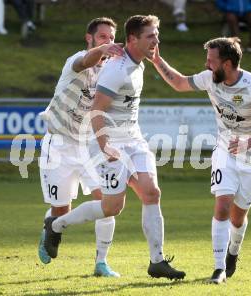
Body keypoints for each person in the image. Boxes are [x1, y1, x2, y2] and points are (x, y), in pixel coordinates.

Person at [42, 15, 186, 280]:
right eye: (151, 36)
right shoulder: (107, 66)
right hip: (73, 141)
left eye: (111, 37)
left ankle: (153, 261)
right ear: (91, 39)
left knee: (151, 193)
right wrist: (105, 145)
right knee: (104, 207)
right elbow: (96, 107)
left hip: (129, 140)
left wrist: (155, 57)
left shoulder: (132, 63)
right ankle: (56, 225)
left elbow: (179, 83)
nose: (157, 40)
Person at [149, 37, 251, 283]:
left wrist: (246, 143)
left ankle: (233, 251)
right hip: (225, 151)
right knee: (222, 206)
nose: (207, 65)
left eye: (211, 61)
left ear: (228, 64)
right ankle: (219, 268)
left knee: (237, 216)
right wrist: (157, 61)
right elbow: (179, 83)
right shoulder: (210, 78)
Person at [37, 17, 124, 277]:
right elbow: (86, 61)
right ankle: (49, 228)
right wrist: (103, 51)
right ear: (90, 38)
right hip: (59, 144)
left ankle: (101, 263)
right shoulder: (76, 60)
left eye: (111, 38)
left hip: (89, 146)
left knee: (107, 199)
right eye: (102, 37)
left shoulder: (112, 72)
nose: (107, 42)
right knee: (61, 211)